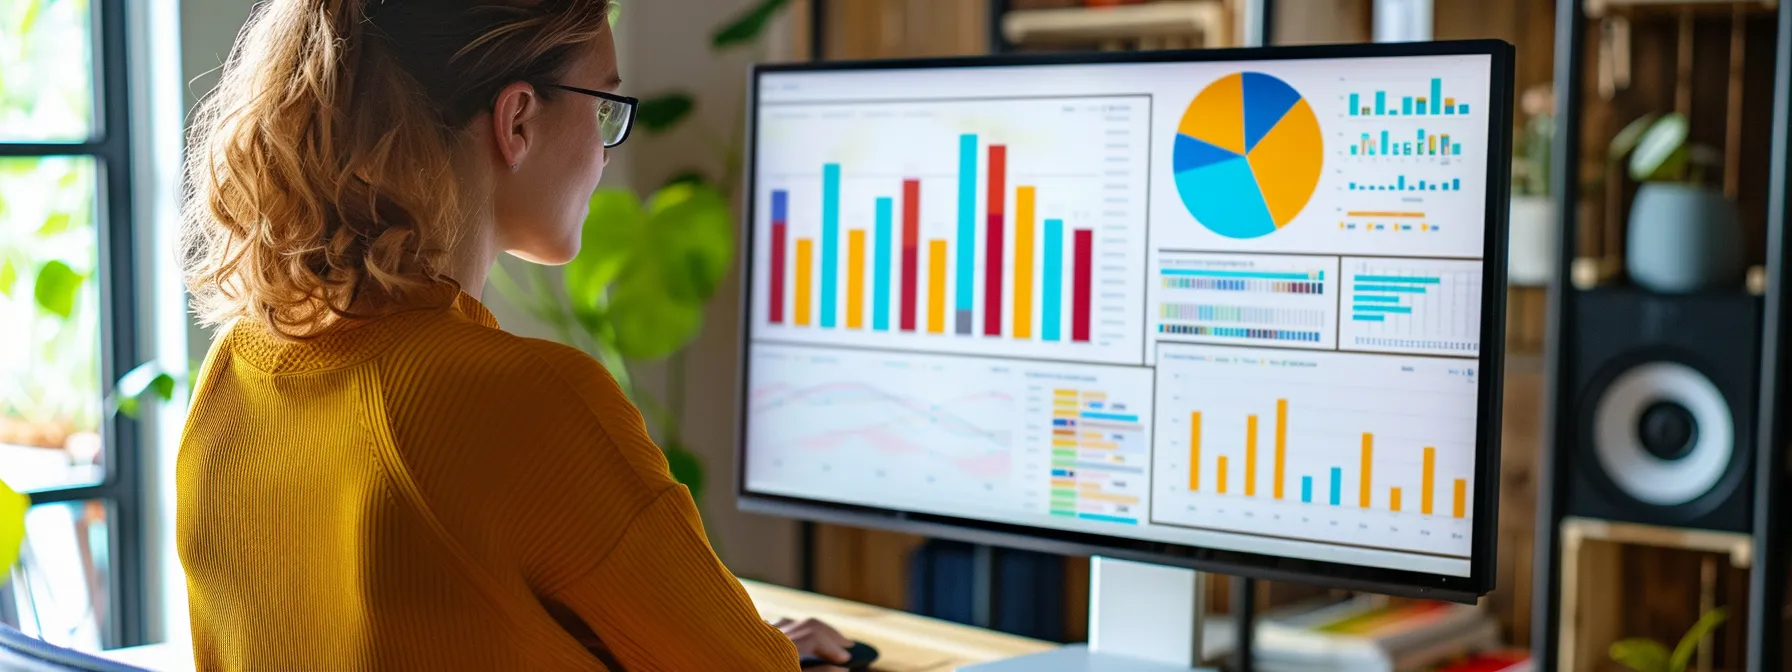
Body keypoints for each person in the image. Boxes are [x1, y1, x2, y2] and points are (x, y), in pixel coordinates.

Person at [176, 0, 852, 669]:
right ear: (518, 119)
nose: (606, 150)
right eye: (603, 108)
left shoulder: (234, 371)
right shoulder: (525, 398)